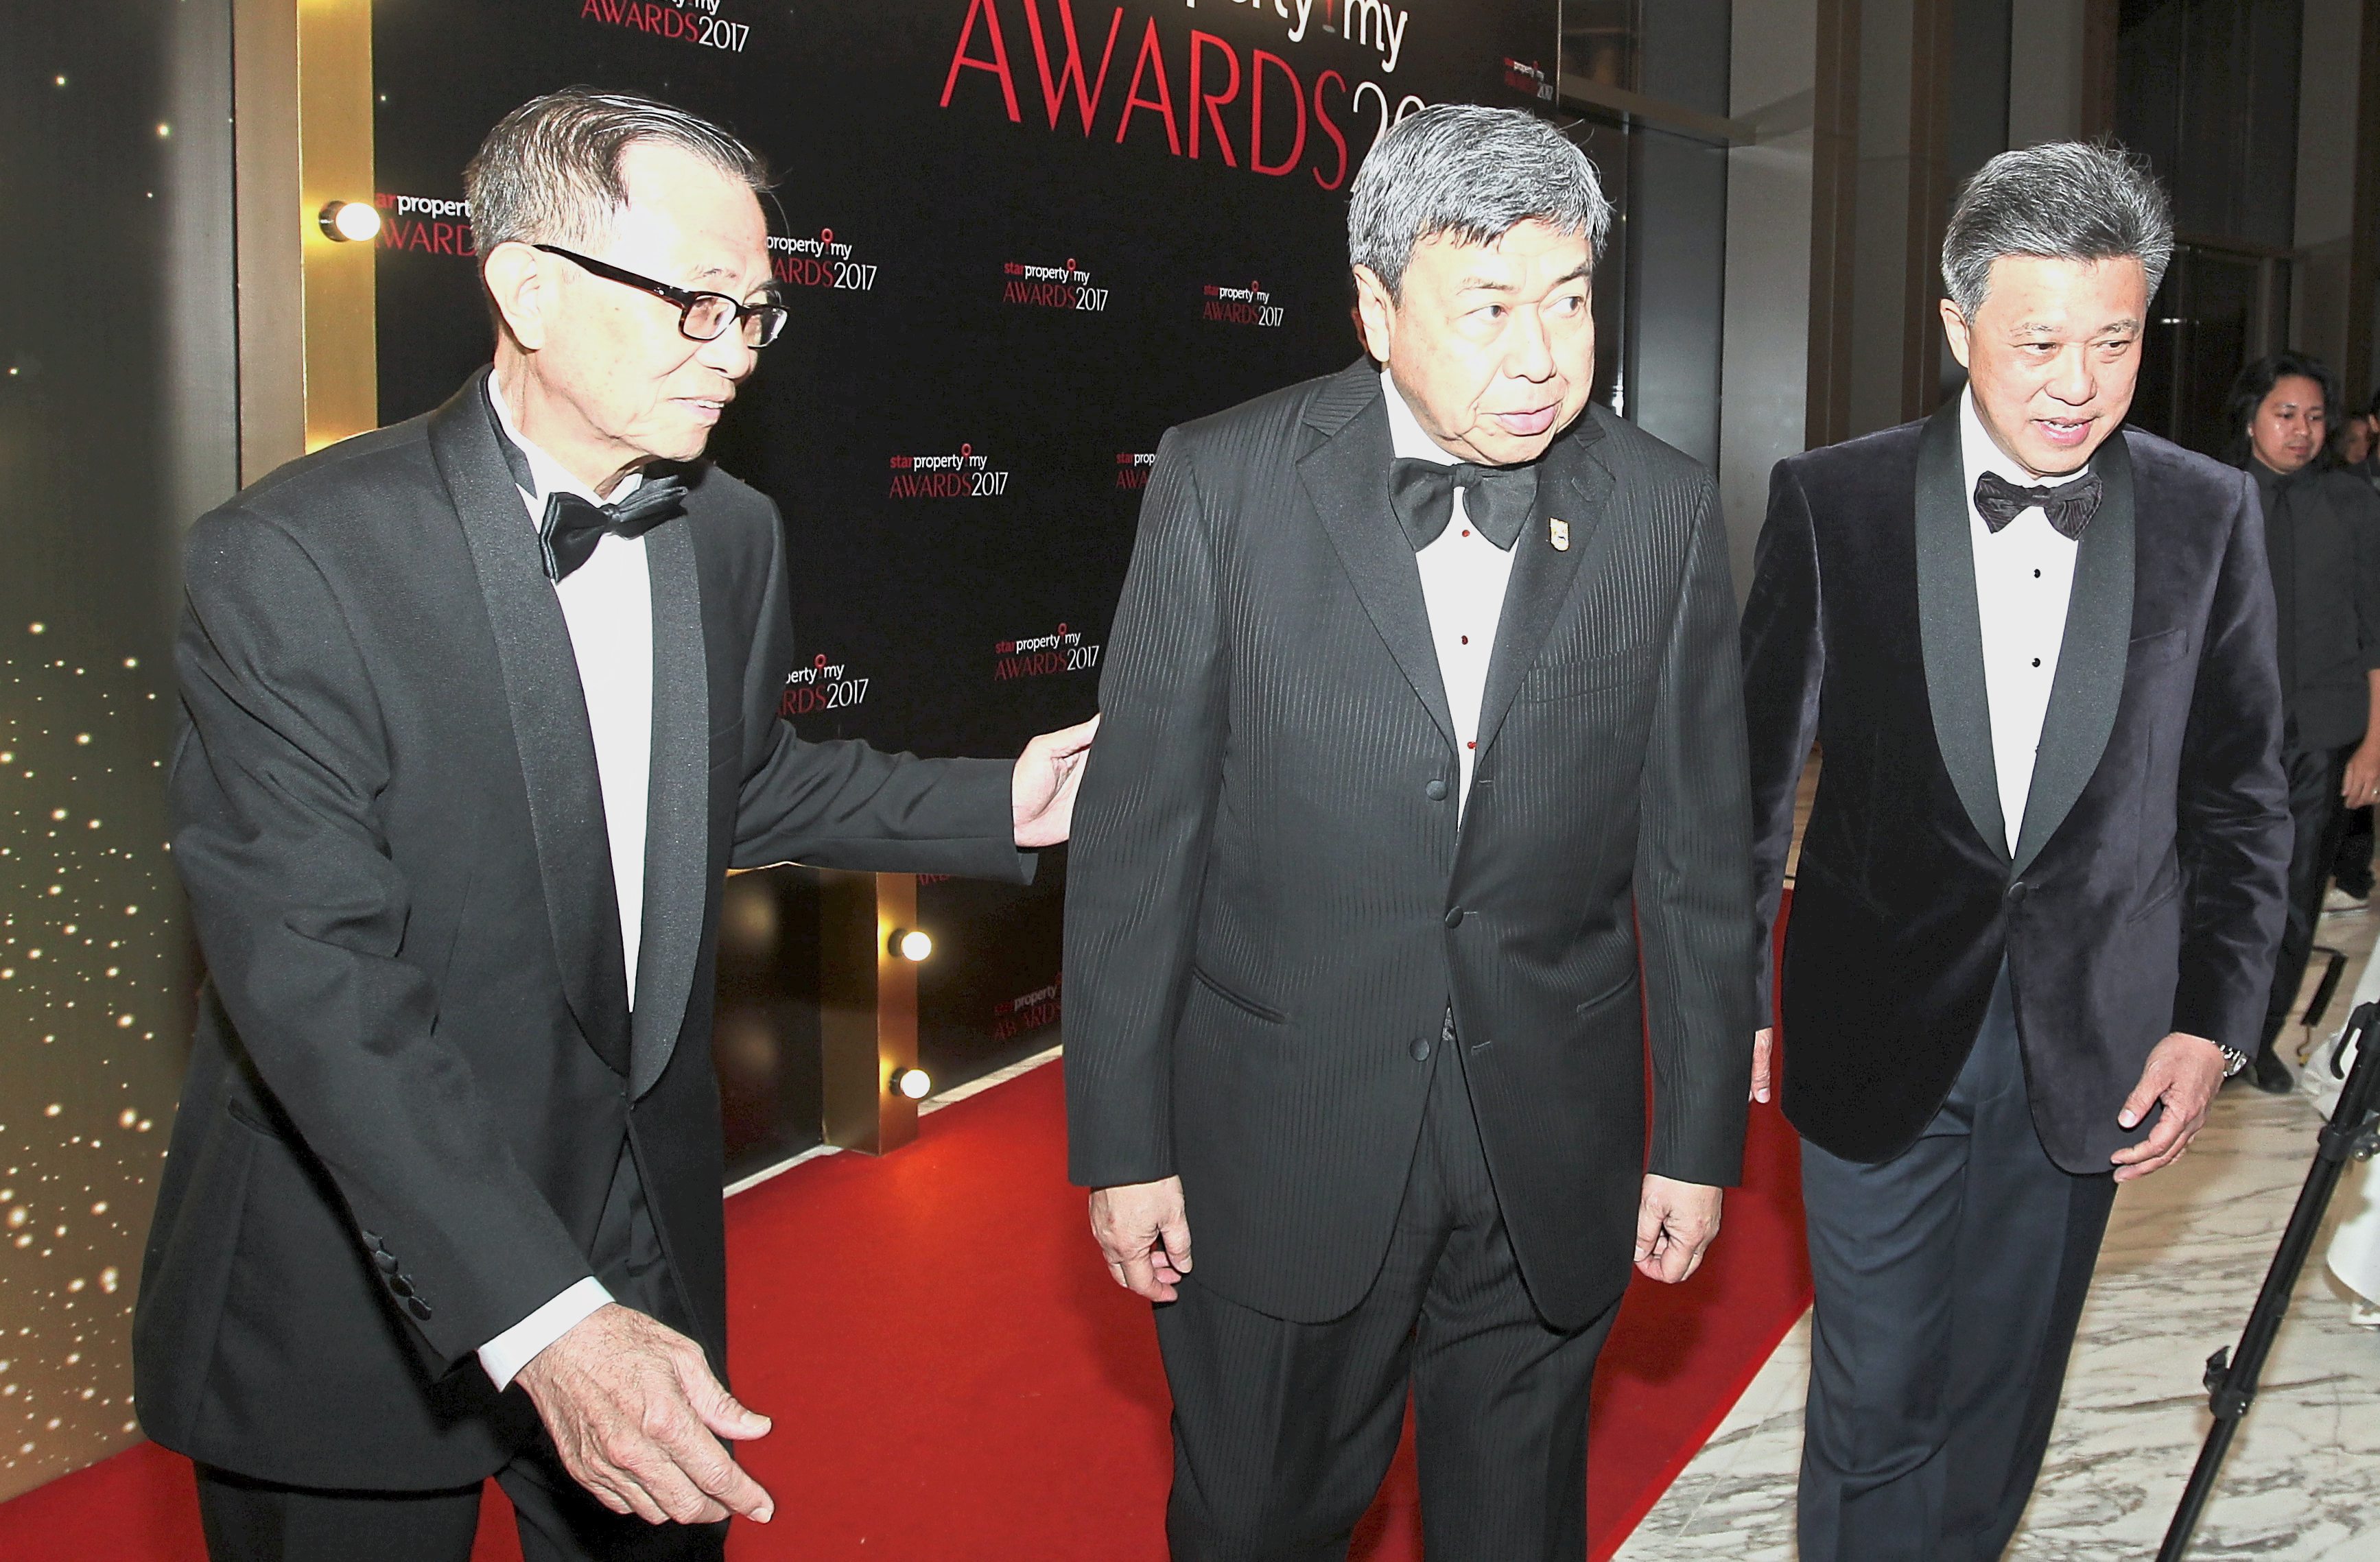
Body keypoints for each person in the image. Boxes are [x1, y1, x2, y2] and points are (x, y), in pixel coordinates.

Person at [134, 89, 1096, 1561]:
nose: (735, 352)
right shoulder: (295, 562)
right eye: (696, 305)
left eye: (759, 313)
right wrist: (544, 1316)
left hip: (637, 1222)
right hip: (347, 1268)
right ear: (527, 285)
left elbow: (745, 780)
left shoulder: (728, 532)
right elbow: (315, 982)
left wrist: (1007, 797)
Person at [1063, 104, 1763, 1561]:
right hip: (1282, 1135)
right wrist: (1122, 1141)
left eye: (1570, 301)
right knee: (1258, 1519)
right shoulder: (1224, 481)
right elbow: (1141, 841)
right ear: (1377, 308)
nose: (1542, 353)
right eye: (1491, 306)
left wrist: (1695, 1136)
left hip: (1549, 1137)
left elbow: (1701, 857)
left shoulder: (1660, 508)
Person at [1740, 140, 2289, 1562]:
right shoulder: (1834, 501)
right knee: (1871, 1405)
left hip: (2090, 1042)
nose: (2076, 381)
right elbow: (1742, 783)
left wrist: (2214, 1023)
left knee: (2000, 1404)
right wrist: (1730, 991)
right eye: (2038, 339)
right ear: (1955, 325)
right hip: (1875, 1024)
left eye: (2112, 341)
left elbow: (2241, 793)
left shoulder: (2206, 512)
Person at [2226, 351, 2380, 1089]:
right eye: (2285, 414)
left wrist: (2374, 744)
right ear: (2250, 416)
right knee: (2214, 889)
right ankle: (2200, 1032)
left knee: (2293, 898)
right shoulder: (2216, 496)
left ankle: (2257, 1041)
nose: (2301, 431)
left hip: (2321, 732)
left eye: (2315, 417)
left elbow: (2375, 629)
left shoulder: (2353, 503)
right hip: (2227, 735)